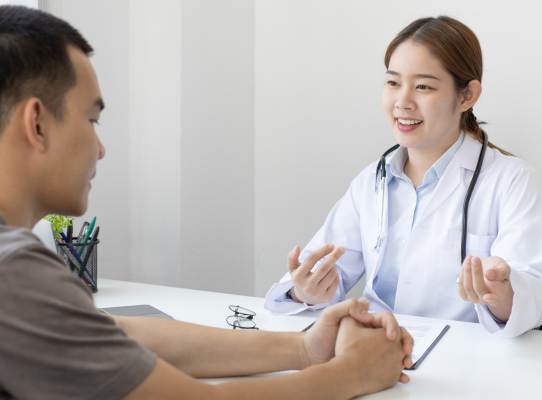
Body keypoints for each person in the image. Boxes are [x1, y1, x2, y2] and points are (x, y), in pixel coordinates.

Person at [0, 6, 414, 400]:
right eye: (92, 120)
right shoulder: (13, 271)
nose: (101, 148)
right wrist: (351, 372)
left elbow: (106, 335)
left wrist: (305, 348)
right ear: (36, 123)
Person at [264, 16, 542, 338]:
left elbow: (538, 294)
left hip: (461, 362)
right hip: (372, 350)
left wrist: (502, 295)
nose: (402, 102)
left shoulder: (511, 180)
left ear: (467, 96)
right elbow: (317, 276)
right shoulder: (372, 182)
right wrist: (304, 292)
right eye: (393, 83)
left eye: (423, 86)